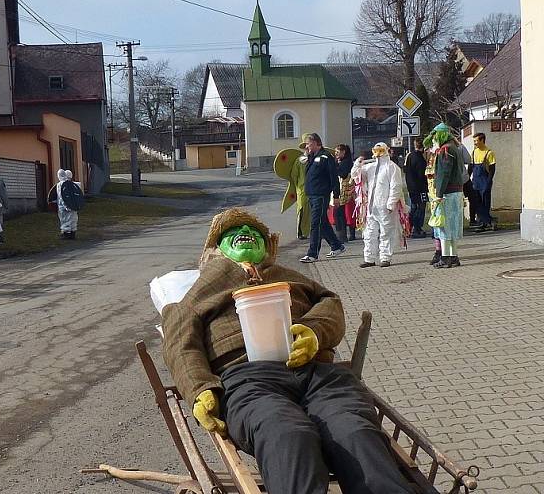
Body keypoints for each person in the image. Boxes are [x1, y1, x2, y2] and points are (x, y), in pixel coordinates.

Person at [162, 208, 422, 494]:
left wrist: (312, 330)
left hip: (317, 373)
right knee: (287, 433)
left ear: (267, 245)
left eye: (253, 232)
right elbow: (179, 340)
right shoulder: (201, 290)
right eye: (233, 233)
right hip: (248, 381)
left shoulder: (288, 276)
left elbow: (330, 302)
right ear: (218, 249)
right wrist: (200, 387)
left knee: (353, 430)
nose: (245, 234)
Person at [351, 142, 403, 268]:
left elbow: (396, 187)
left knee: (386, 232)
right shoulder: (370, 167)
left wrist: (391, 203)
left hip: (385, 207)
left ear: (386, 150)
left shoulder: (392, 167)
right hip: (371, 206)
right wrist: (357, 163)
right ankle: (369, 258)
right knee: (369, 233)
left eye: (381, 150)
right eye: (376, 150)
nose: (378, 153)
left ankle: (385, 257)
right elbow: (355, 176)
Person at [300, 133, 345, 263]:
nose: (307, 146)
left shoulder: (325, 157)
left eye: (308, 144)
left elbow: (333, 178)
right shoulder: (312, 157)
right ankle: (336, 246)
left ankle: (312, 253)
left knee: (315, 224)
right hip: (312, 195)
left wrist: (336, 196)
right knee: (323, 222)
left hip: (321, 195)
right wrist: (308, 156)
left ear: (316, 143)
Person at [425, 124, 464, 268]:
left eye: (435, 136)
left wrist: (439, 193)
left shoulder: (445, 150)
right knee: (452, 226)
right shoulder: (455, 148)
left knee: (444, 226)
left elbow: (443, 174)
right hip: (457, 191)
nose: (433, 139)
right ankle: (454, 256)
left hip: (447, 193)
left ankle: (446, 257)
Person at [471, 132, 497, 232]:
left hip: (485, 181)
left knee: (485, 203)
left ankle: (484, 223)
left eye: (476, 141)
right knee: (476, 203)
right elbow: (471, 167)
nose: (475, 143)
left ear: (482, 140)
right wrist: (469, 179)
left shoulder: (489, 153)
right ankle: (489, 221)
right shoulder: (474, 152)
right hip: (476, 182)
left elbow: (492, 170)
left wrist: (488, 183)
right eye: (474, 141)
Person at [404, 138, 428, 238]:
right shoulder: (420, 159)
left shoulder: (410, 156)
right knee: (421, 207)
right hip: (420, 187)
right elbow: (421, 174)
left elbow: (406, 169)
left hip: (411, 186)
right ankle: (417, 228)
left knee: (413, 207)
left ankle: (409, 227)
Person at [49, 168, 82, 239]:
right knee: (73, 219)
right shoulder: (73, 184)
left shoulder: (61, 185)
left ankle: (66, 234)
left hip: (63, 207)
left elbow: (61, 196)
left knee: (65, 220)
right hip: (73, 205)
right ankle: (72, 233)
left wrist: (65, 205)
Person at [333, 144, 356, 242]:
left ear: (343, 152)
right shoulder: (342, 161)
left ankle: (342, 235)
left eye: (338, 152)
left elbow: (342, 174)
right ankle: (344, 235)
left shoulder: (346, 163)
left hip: (345, 191)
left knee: (340, 213)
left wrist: (335, 167)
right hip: (345, 191)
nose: (336, 154)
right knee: (342, 213)